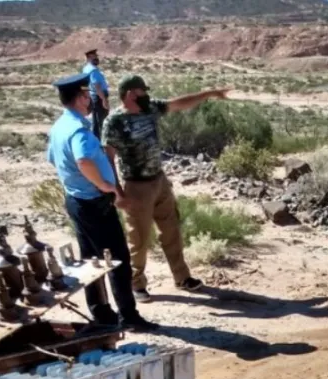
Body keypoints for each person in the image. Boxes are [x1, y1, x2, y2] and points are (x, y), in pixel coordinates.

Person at [102, 74, 230, 303]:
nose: (147, 95)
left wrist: (209, 93)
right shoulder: (115, 122)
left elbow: (179, 103)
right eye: (143, 91)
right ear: (131, 94)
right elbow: (108, 158)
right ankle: (136, 283)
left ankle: (182, 277)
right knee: (138, 238)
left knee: (171, 230)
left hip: (159, 181)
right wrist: (117, 192)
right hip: (136, 186)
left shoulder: (150, 108)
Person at [46, 72, 157, 332]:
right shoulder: (78, 131)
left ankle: (101, 313)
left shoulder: (59, 126)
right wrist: (106, 186)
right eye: (87, 95)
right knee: (117, 260)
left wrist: (75, 179)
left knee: (90, 261)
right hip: (94, 203)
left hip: (76, 200)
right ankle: (128, 317)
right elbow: (84, 160)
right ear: (81, 97)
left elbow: (53, 158)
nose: (90, 99)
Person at [81, 49, 110, 139]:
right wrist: (104, 100)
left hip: (93, 96)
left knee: (96, 121)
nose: (97, 58)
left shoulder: (86, 69)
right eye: (94, 57)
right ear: (89, 58)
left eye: (97, 56)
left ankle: (97, 140)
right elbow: (97, 86)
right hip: (98, 97)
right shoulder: (93, 70)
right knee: (102, 121)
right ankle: (102, 141)